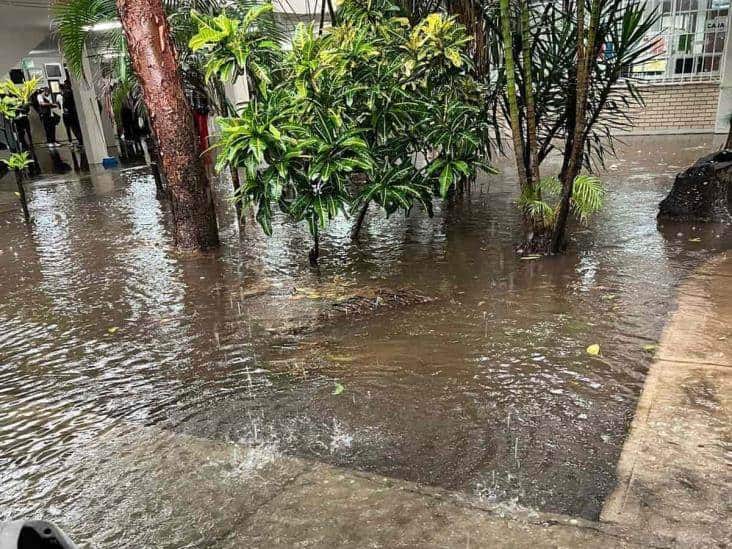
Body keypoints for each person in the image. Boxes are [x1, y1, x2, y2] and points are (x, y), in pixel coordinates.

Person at [58, 80, 83, 146]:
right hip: (74, 111)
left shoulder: (67, 93)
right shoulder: (72, 91)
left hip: (70, 113)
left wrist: (65, 109)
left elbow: (65, 103)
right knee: (77, 127)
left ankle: (80, 140)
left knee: (74, 127)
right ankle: (81, 140)